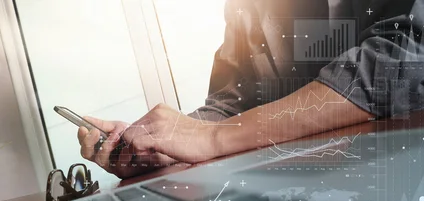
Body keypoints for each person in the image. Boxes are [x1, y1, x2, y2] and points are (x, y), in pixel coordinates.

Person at [77, 0, 424, 178]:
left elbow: (396, 63)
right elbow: (232, 100)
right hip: (298, 194)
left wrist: (211, 139)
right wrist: (161, 146)